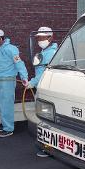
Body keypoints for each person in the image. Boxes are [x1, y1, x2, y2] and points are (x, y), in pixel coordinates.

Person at [0, 29, 29, 138]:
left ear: (0, 38)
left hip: (8, 81)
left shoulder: (11, 49)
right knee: (2, 105)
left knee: (7, 105)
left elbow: (19, 63)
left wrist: (24, 77)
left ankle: (8, 129)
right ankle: (5, 124)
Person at [27, 27, 58, 157]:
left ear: (50, 38)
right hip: (42, 87)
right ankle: (45, 145)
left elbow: (44, 73)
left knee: (47, 119)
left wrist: (32, 82)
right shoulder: (44, 51)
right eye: (38, 38)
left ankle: (48, 147)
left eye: (43, 38)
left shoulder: (51, 53)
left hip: (47, 88)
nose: (40, 40)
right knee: (43, 118)